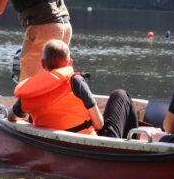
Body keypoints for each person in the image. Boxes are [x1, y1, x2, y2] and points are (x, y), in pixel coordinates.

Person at [10, 39, 139, 138]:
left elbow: (12, 117)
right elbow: (99, 124)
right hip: (92, 143)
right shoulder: (75, 81)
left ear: (43, 63)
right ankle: (136, 143)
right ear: (69, 63)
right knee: (120, 94)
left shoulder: (31, 91)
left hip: (52, 141)